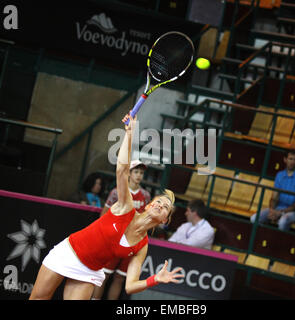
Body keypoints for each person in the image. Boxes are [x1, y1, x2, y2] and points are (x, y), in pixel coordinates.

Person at [29, 114, 183, 300]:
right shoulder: (126, 207)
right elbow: (122, 170)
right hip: (69, 252)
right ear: (148, 205)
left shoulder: (142, 246)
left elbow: (131, 286)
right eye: (158, 201)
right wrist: (130, 134)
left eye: (165, 206)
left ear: (165, 220)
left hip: (89, 271)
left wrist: (155, 279)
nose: (160, 205)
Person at [92, 160, 151, 300]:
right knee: (103, 275)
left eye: (141, 173)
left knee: (119, 278)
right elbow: (104, 215)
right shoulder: (116, 191)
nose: (139, 175)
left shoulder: (146, 196)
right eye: (136, 172)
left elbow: (146, 220)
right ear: (129, 174)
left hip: (131, 243)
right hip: (113, 240)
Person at [250, 149, 295, 231]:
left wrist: (280, 213)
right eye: (290, 159)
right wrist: (272, 210)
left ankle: (278, 242)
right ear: (285, 160)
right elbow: (274, 197)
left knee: (282, 222)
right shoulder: (279, 175)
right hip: (277, 208)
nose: (292, 162)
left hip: (294, 212)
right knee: (254, 218)